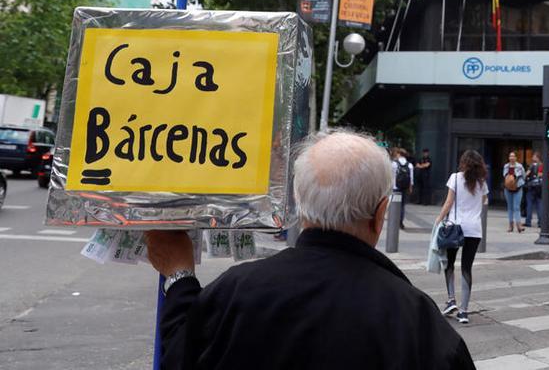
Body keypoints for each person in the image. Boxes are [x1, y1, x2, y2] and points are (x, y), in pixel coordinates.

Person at [144, 129, 476, 369]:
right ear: (380, 214)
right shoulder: (417, 322)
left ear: (300, 205)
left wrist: (179, 277)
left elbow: (180, 356)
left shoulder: (236, 291)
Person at [435, 150, 489, 324]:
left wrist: (439, 219)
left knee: (449, 263)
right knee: (467, 267)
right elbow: (485, 201)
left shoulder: (455, 178)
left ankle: (451, 300)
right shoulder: (482, 183)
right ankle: (464, 311)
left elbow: (449, 202)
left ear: (464, 163)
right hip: (474, 229)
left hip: (455, 227)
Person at [502, 151, 526, 233]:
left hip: (518, 188)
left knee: (516, 207)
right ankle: (510, 225)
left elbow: (523, 176)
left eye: (513, 156)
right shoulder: (506, 166)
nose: (511, 158)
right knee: (510, 207)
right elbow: (505, 175)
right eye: (510, 156)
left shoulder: (520, 166)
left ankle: (518, 225)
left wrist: (518, 181)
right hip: (508, 188)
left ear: (516, 158)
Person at [391, 148, 414, 229]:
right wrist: (410, 188)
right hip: (405, 188)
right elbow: (411, 178)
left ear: (399, 154)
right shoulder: (410, 165)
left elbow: (391, 176)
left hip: (395, 188)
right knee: (402, 205)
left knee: (394, 205)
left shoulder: (394, 163)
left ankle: (394, 221)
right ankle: (401, 221)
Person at [523, 152, 542, 228]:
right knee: (539, 205)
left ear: (537, 157)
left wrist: (525, 178)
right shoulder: (543, 165)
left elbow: (526, 174)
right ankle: (540, 222)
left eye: (533, 156)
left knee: (529, 205)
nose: (532, 158)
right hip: (540, 188)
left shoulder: (532, 165)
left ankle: (528, 221)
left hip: (531, 187)